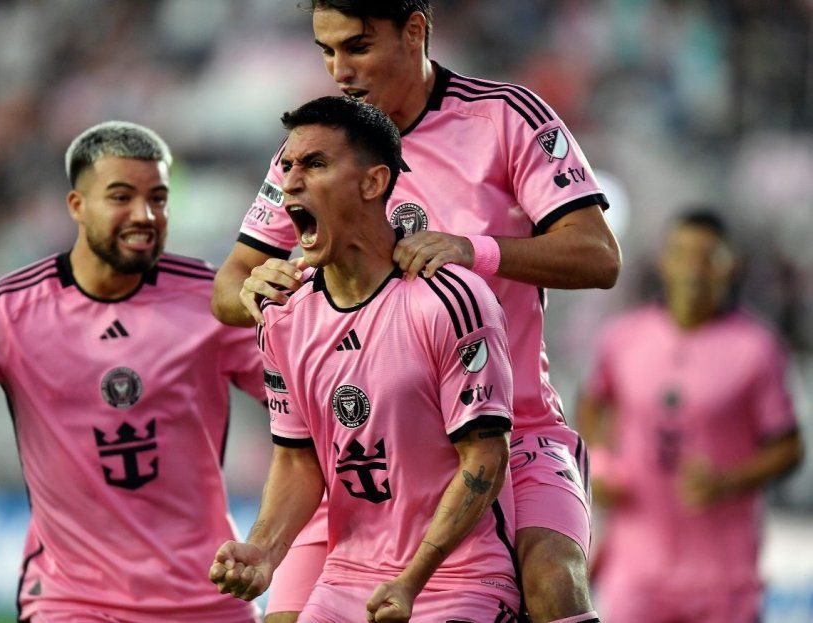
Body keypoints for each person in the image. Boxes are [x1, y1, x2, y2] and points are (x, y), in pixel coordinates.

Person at [211, 2, 618, 622]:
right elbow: (228, 287)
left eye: (358, 46)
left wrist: (472, 249)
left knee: (553, 581)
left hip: (508, 431)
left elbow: (598, 256)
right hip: (359, 459)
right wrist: (257, 287)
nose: (340, 69)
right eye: (327, 51)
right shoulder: (315, 155)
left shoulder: (505, 118)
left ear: (415, 30)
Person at [210, 95, 521, 623]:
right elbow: (296, 459)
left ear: (373, 183)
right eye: (287, 166)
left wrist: (409, 583)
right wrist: (263, 550)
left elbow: (485, 460)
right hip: (348, 576)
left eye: (315, 164)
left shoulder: (450, 299)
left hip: (456, 577)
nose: (289, 182)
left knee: (558, 582)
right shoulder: (283, 315)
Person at [0, 121, 265, 623]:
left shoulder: (214, 300)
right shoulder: (8, 312)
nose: (144, 215)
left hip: (206, 597)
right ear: (77, 205)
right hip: (71, 601)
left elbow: (309, 406)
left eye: (159, 199)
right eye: (121, 197)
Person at [577, 209, 803, 623]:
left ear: (729, 267)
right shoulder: (624, 337)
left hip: (723, 572)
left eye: (707, 257)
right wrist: (599, 461)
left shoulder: (757, 348)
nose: (692, 268)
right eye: (682, 253)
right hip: (636, 566)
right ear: (663, 260)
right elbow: (592, 401)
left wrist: (727, 481)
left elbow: (789, 447)